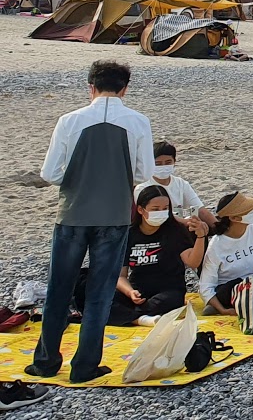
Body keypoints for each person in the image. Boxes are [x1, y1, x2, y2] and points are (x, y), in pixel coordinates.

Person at [28, 60, 156, 382]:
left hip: (73, 213)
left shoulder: (69, 120)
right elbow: (142, 174)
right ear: (125, 88)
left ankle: (45, 362)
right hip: (114, 216)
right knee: (100, 293)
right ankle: (85, 366)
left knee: (59, 288)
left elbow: (49, 174)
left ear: (91, 86)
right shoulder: (138, 122)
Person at [106, 185, 208, 326]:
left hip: (169, 289)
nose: (161, 212)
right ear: (141, 210)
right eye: (155, 209)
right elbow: (120, 275)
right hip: (138, 288)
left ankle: (131, 316)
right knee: (104, 299)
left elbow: (192, 262)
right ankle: (140, 319)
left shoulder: (175, 231)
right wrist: (130, 292)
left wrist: (201, 237)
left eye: (165, 208)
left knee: (166, 302)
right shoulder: (129, 235)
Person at [199, 192, 253, 315]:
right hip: (231, 289)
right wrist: (223, 310)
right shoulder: (217, 245)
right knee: (236, 288)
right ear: (234, 218)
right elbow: (206, 286)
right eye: (248, 211)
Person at [136, 141, 213, 226]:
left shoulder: (181, 184)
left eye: (168, 162)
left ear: (174, 162)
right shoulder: (142, 187)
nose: (163, 166)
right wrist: (188, 223)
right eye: (158, 164)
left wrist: (218, 227)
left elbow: (200, 209)